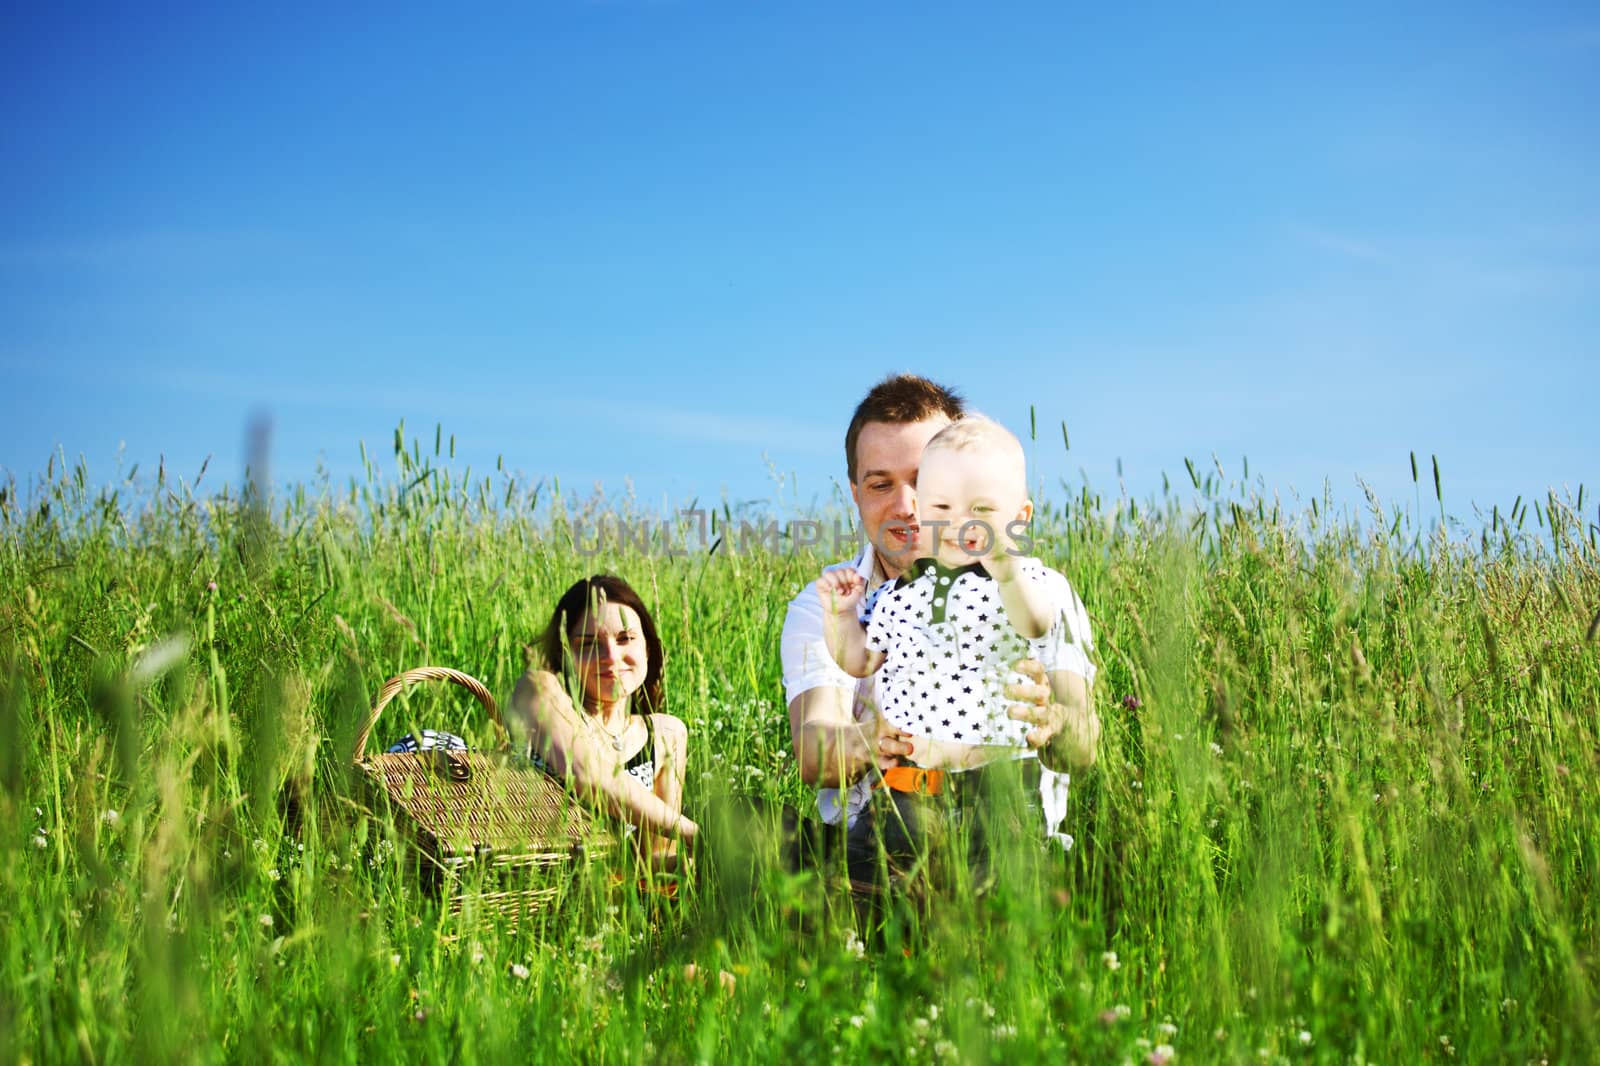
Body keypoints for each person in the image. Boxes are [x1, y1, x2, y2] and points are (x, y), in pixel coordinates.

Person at [779, 375, 1099, 889]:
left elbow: (1083, 741)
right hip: (886, 832)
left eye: (926, 479)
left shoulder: (1038, 590)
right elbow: (815, 748)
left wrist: (1053, 721)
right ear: (856, 492)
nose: (909, 506)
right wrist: (873, 741)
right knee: (753, 831)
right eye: (882, 484)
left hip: (1003, 822)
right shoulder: (840, 600)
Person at [510, 575, 696, 864]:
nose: (610, 656)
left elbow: (655, 859)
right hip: (521, 881)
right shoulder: (539, 688)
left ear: (647, 647)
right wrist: (696, 834)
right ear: (565, 654)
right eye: (588, 644)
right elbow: (590, 776)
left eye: (625, 639)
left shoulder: (666, 734)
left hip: (603, 897)